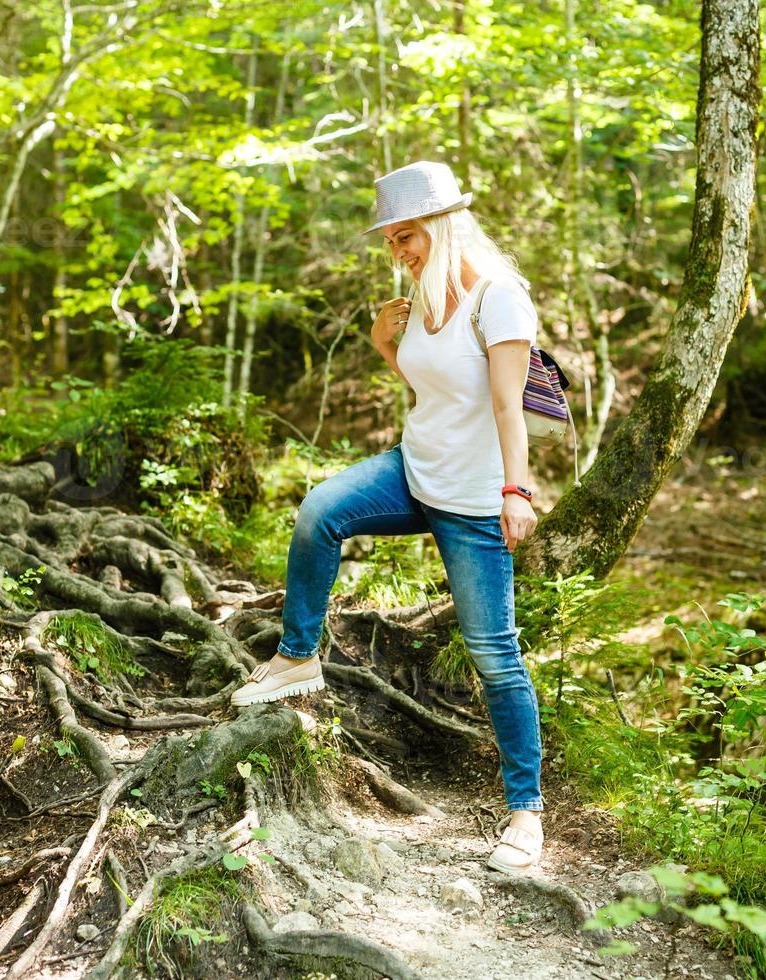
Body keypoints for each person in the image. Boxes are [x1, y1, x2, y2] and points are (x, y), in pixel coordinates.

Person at [229, 160, 545, 874]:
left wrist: (517, 492)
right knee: (319, 511)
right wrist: (383, 344)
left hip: (472, 502)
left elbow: (503, 404)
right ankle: (297, 657)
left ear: (443, 226)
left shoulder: (501, 301)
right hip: (413, 471)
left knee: (495, 657)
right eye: (391, 241)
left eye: (408, 236)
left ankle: (525, 815)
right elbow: (434, 389)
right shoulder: (423, 300)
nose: (398, 252)